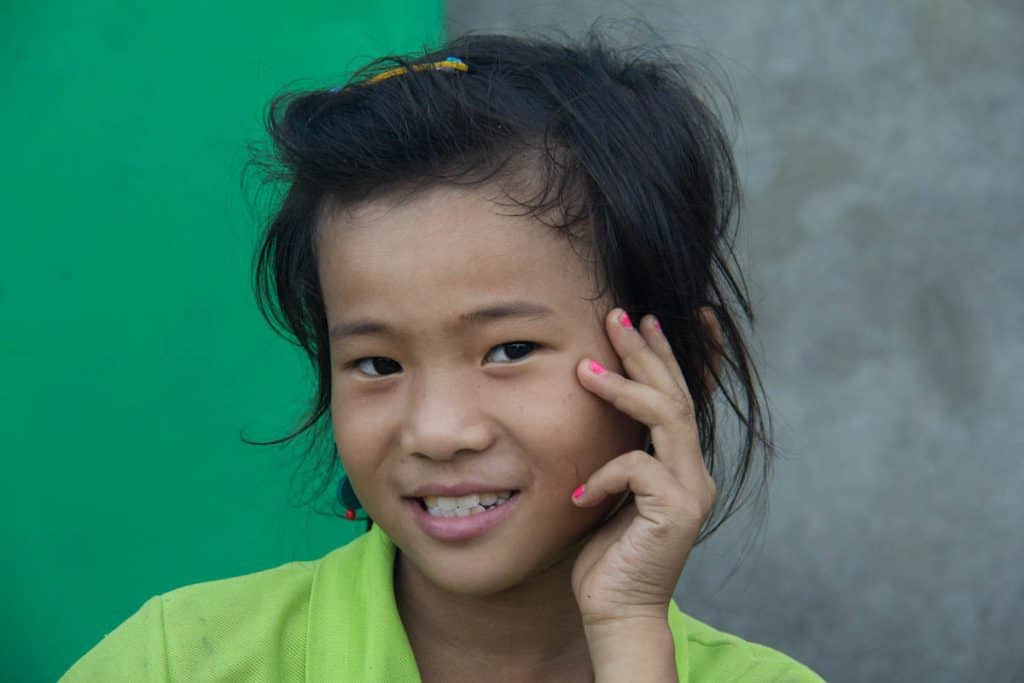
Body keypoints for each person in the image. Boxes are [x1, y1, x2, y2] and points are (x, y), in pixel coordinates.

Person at [62, 29, 826, 682]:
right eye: (377, 364)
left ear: (685, 365)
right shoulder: (180, 661)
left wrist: (629, 635)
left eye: (510, 349)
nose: (436, 429)